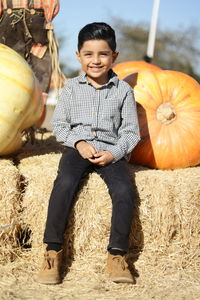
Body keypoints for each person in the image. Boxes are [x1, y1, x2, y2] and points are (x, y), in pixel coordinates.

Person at [36, 22, 140, 285]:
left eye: (103, 54)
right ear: (79, 56)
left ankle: (117, 255)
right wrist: (79, 143)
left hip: (109, 150)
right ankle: (52, 250)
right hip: (77, 148)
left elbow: (130, 133)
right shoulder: (71, 88)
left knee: (124, 191)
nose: (96, 60)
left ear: (114, 56)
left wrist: (114, 154)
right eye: (89, 54)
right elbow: (59, 126)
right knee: (65, 183)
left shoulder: (124, 91)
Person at [0, 0, 62, 103]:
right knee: (8, 71)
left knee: (40, 68)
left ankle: (37, 105)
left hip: (38, 25)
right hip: (9, 28)